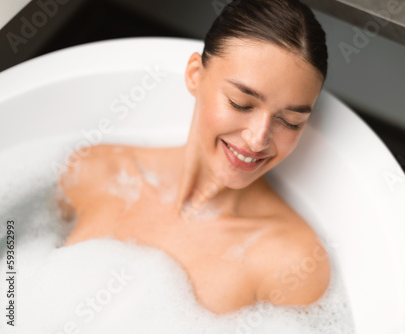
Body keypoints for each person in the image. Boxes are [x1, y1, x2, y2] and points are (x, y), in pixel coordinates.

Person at [58, 0, 330, 315]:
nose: (258, 139)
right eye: (241, 103)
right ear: (194, 76)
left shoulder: (291, 262)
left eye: (289, 121)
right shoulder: (95, 170)